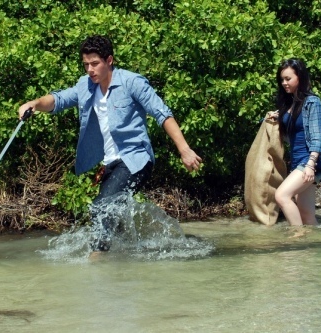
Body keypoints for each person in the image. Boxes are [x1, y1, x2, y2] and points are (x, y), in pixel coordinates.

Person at [18, 35, 202, 251]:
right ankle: (127, 260)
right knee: (111, 217)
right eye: (86, 64)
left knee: (101, 208)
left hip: (136, 159)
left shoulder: (132, 82)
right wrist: (34, 104)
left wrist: (184, 149)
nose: (90, 69)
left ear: (109, 60)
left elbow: (163, 114)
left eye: (95, 63)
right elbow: (59, 100)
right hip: (111, 164)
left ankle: (97, 260)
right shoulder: (85, 85)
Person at [268, 58, 321, 226]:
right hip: (298, 160)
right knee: (307, 215)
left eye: (288, 78)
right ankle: (313, 246)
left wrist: (311, 163)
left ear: (300, 77)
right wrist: (276, 117)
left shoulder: (312, 102)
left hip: (311, 160)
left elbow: (317, 135)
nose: (284, 83)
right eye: (282, 79)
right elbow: (291, 134)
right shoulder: (289, 105)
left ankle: (298, 238)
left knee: (281, 196)